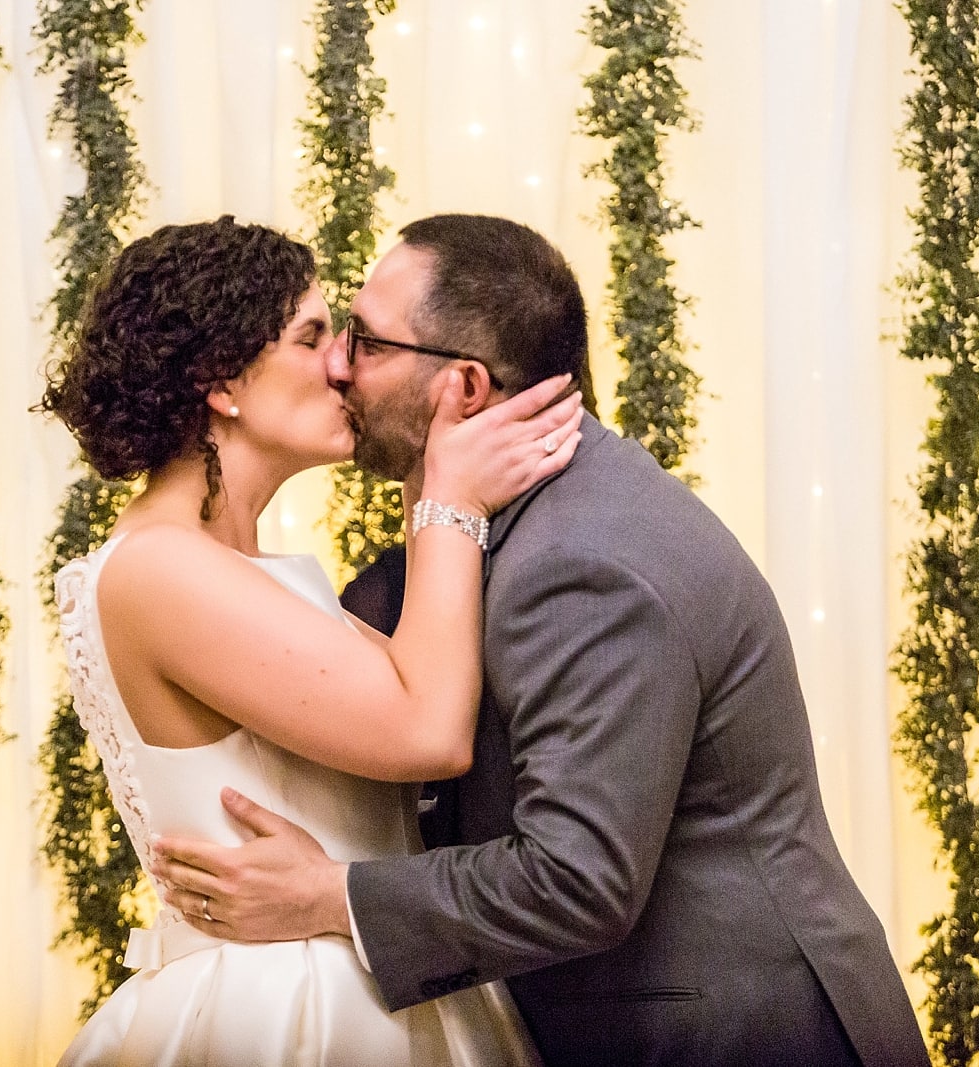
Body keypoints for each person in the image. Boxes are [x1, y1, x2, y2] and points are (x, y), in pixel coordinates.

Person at [152, 214, 933, 1067]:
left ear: (465, 389)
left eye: (367, 340)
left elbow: (576, 879)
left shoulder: (581, 565)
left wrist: (330, 895)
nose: (337, 361)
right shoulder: (460, 544)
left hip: (727, 1036)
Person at [38, 215, 583, 1066]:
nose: (342, 363)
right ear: (223, 382)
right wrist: (450, 494)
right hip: (287, 1014)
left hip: (379, 979)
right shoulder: (158, 569)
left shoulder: (244, 568)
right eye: (312, 334)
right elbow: (427, 730)